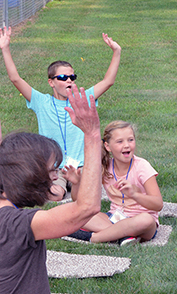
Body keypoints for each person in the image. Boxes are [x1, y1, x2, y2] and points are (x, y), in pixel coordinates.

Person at [0, 84, 102, 293]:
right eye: (51, 169)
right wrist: (91, 134)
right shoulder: (15, 225)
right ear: (28, 173)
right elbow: (86, 207)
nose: (56, 175)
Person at [0, 26, 121, 200]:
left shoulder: (83, 98)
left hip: (82, 167)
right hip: (56, 170)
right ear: (51, 82)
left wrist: (116, 51)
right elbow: (15, 78)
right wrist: (5, 48)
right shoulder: (41, 102)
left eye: (72, 77)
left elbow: (108, 81)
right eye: (63, 78)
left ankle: (78, 185)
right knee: (55, 195)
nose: (69, 81)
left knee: (85, 197)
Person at [63, 121, 163, 246]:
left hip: (140, 222)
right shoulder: (105, 167)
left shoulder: (142, 166)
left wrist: (134, 194)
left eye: (130, 140)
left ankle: (93, 237)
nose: (126, 145)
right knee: (77, 213)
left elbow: (158, 204)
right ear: (107, 146)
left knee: (146, 220)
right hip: (113, 218)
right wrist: (77, 183)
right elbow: (79, 201)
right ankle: (123, 236)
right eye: (120, 142)